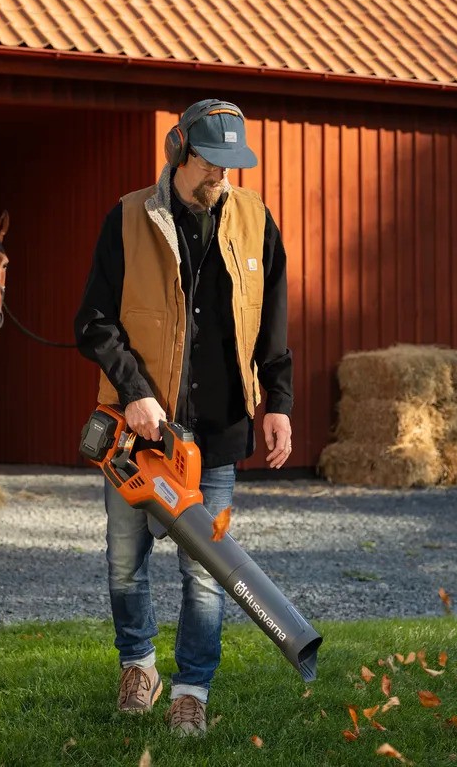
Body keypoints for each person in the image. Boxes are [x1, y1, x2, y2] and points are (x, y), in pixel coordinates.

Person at [74, 99, 294, 736]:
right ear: (180, 153)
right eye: (210, 163)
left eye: (230, 164)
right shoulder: (128, 217)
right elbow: (93, 323)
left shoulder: (255, 219)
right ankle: (138, 666)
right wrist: (136, 392)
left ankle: (191, 691)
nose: (221, 175)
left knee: (204, 574)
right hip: (137, 432)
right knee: (125, 560)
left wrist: (278, 403)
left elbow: (272, 322)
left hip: (219, 430)